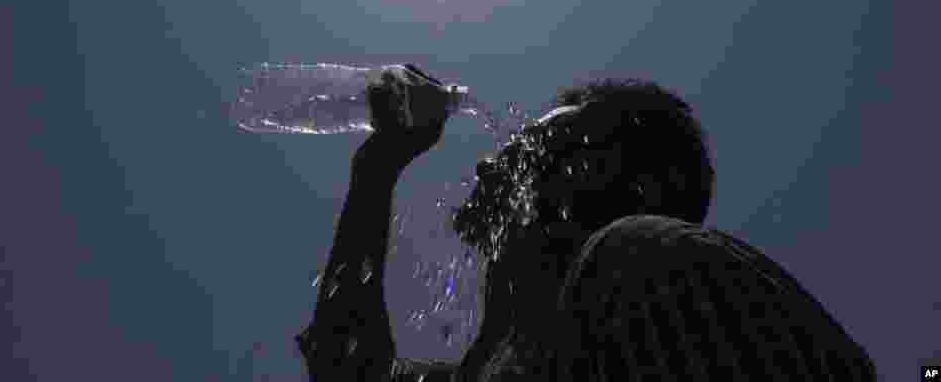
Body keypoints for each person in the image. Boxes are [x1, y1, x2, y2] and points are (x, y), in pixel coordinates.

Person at [295, 65, 876, 381]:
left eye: (540, 147)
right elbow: (348, 368)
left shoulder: (651, 263)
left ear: (641, 188)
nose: (492, 161)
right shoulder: (493, 367)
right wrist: (376, 169)